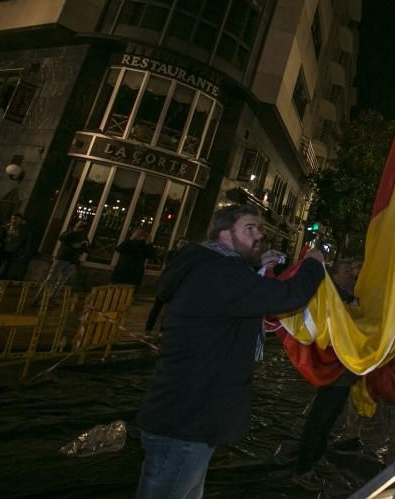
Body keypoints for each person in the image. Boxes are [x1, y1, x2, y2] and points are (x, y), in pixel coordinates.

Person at [136, 204, 328, 498]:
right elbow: (288, 295)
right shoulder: (220, 274)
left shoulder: (211, 267)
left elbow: (235, 293)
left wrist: (254, 266)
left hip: (189, 417)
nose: (260, 235)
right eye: (250, 229)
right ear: (225, 235)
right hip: (186, 422)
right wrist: (314, 264)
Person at [294, 260, 361, 489]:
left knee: (331, 415)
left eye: (353, 271)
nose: (352, 274)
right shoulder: (333, 295)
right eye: (346, 271)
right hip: (333, 369)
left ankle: (317, 456)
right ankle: (303, 468)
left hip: (344, 370)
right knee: (320, 416)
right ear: (334, 276)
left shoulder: (350, 296)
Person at [36, 220, 89, 300]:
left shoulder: (83, 235)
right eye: (79, 223)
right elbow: (62, 238)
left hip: (72, 260)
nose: (81, 225)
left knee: (62, 281)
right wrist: (74, 234)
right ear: (76, 224)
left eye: (83, 224)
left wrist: (81, 246)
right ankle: (38, 297)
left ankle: (52, 297)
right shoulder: (69, 231)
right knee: (51, 278)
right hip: (62, 258)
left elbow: (87, 247)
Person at [0, 213, 32, 280]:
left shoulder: (24, 230)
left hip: (14, 252)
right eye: (13, 218)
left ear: (20, 220)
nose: (14, 220)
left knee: (7, 268)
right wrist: (3, 240)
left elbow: (26, 242)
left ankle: (0, 283)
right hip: (3, 250)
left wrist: (23, 252)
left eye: (16, 219)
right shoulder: (6, 227)